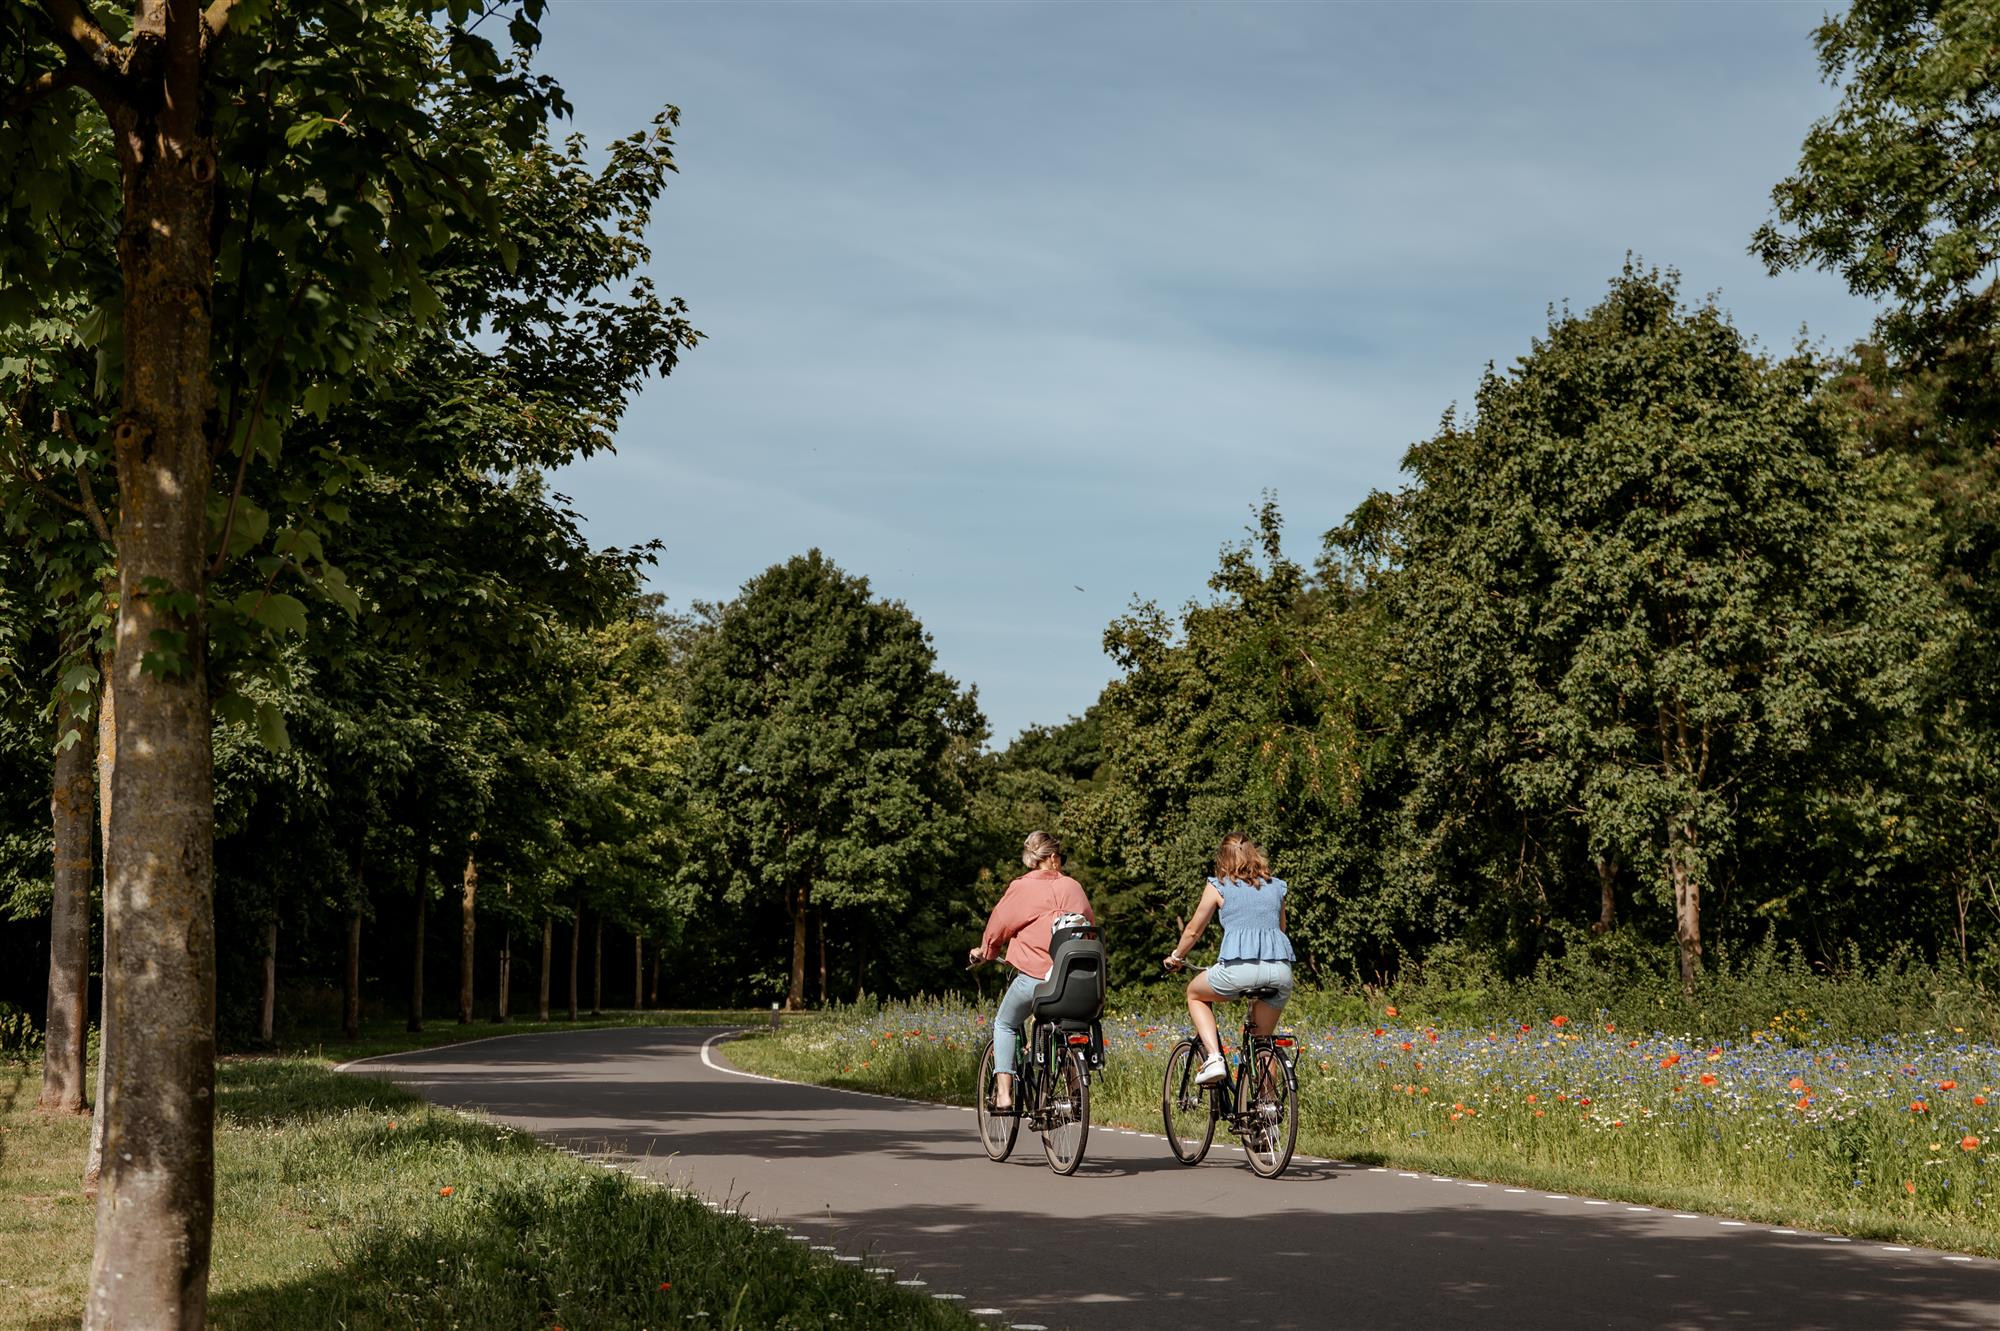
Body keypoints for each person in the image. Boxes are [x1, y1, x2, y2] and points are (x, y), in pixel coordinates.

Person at [969, 830, 1095, 1111]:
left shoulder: (1021, 888)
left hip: (1036, 978)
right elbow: (1090, 928)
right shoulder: (1074, 887)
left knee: (1005, 1023)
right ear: (1052, 857)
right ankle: (1074, 1089)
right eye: (1060, 857)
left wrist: (985, 952)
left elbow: (998, 926)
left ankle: (1004, 1096)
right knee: (1064, 1025)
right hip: (1075, 983)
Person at [1163, 833, 1294, 1085]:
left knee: (1194, 993)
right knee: (1263, 1042)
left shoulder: (1219, 885)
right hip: (1280, 971)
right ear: (1254, 854)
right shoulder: (1277, 886)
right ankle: (1268, 1112)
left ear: (1223, 859)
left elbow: (1193, 930)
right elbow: (1281, 929)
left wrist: (1177, 956)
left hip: (1239, 972)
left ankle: (1214, 1058)